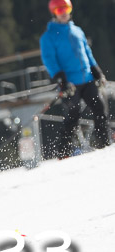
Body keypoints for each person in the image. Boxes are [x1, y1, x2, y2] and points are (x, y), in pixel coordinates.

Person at [39, 0, 111, 159]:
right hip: (70, 83)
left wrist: (96, 70)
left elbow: (87, 52)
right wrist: (60, 77)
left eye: (66, 9)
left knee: (100, 109)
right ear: (54, 13)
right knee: (73, 115)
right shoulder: (48, 37)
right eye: (59, 11)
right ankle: (63, 153)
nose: (64, 13)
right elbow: (49, 59)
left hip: (87, 78)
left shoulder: (77, 31)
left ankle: (104, 144)